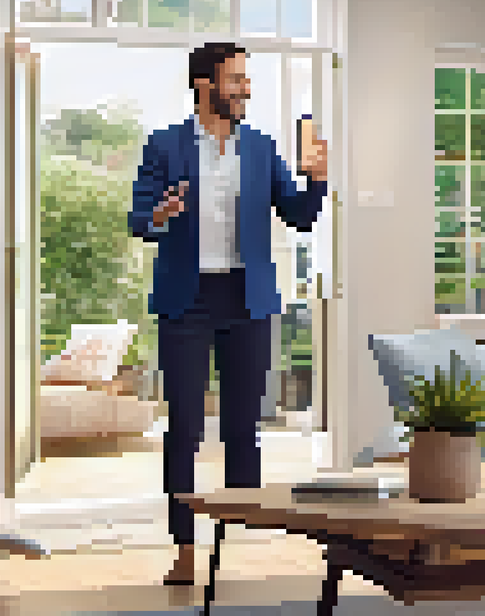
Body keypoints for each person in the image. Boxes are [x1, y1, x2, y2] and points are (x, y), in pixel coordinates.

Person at [128, 42, 329, 586]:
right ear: (204, 84)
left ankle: (239, 534)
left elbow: (300, 217)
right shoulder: (165, 145)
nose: (245, 88)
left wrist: (317, 179)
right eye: (235, 79)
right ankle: (185, 547)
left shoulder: (261, 149)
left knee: (243, 428)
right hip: (186, 302)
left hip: (248, 300)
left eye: (246, 79)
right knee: (186, 429)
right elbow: (137, 219)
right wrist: (162, 212)